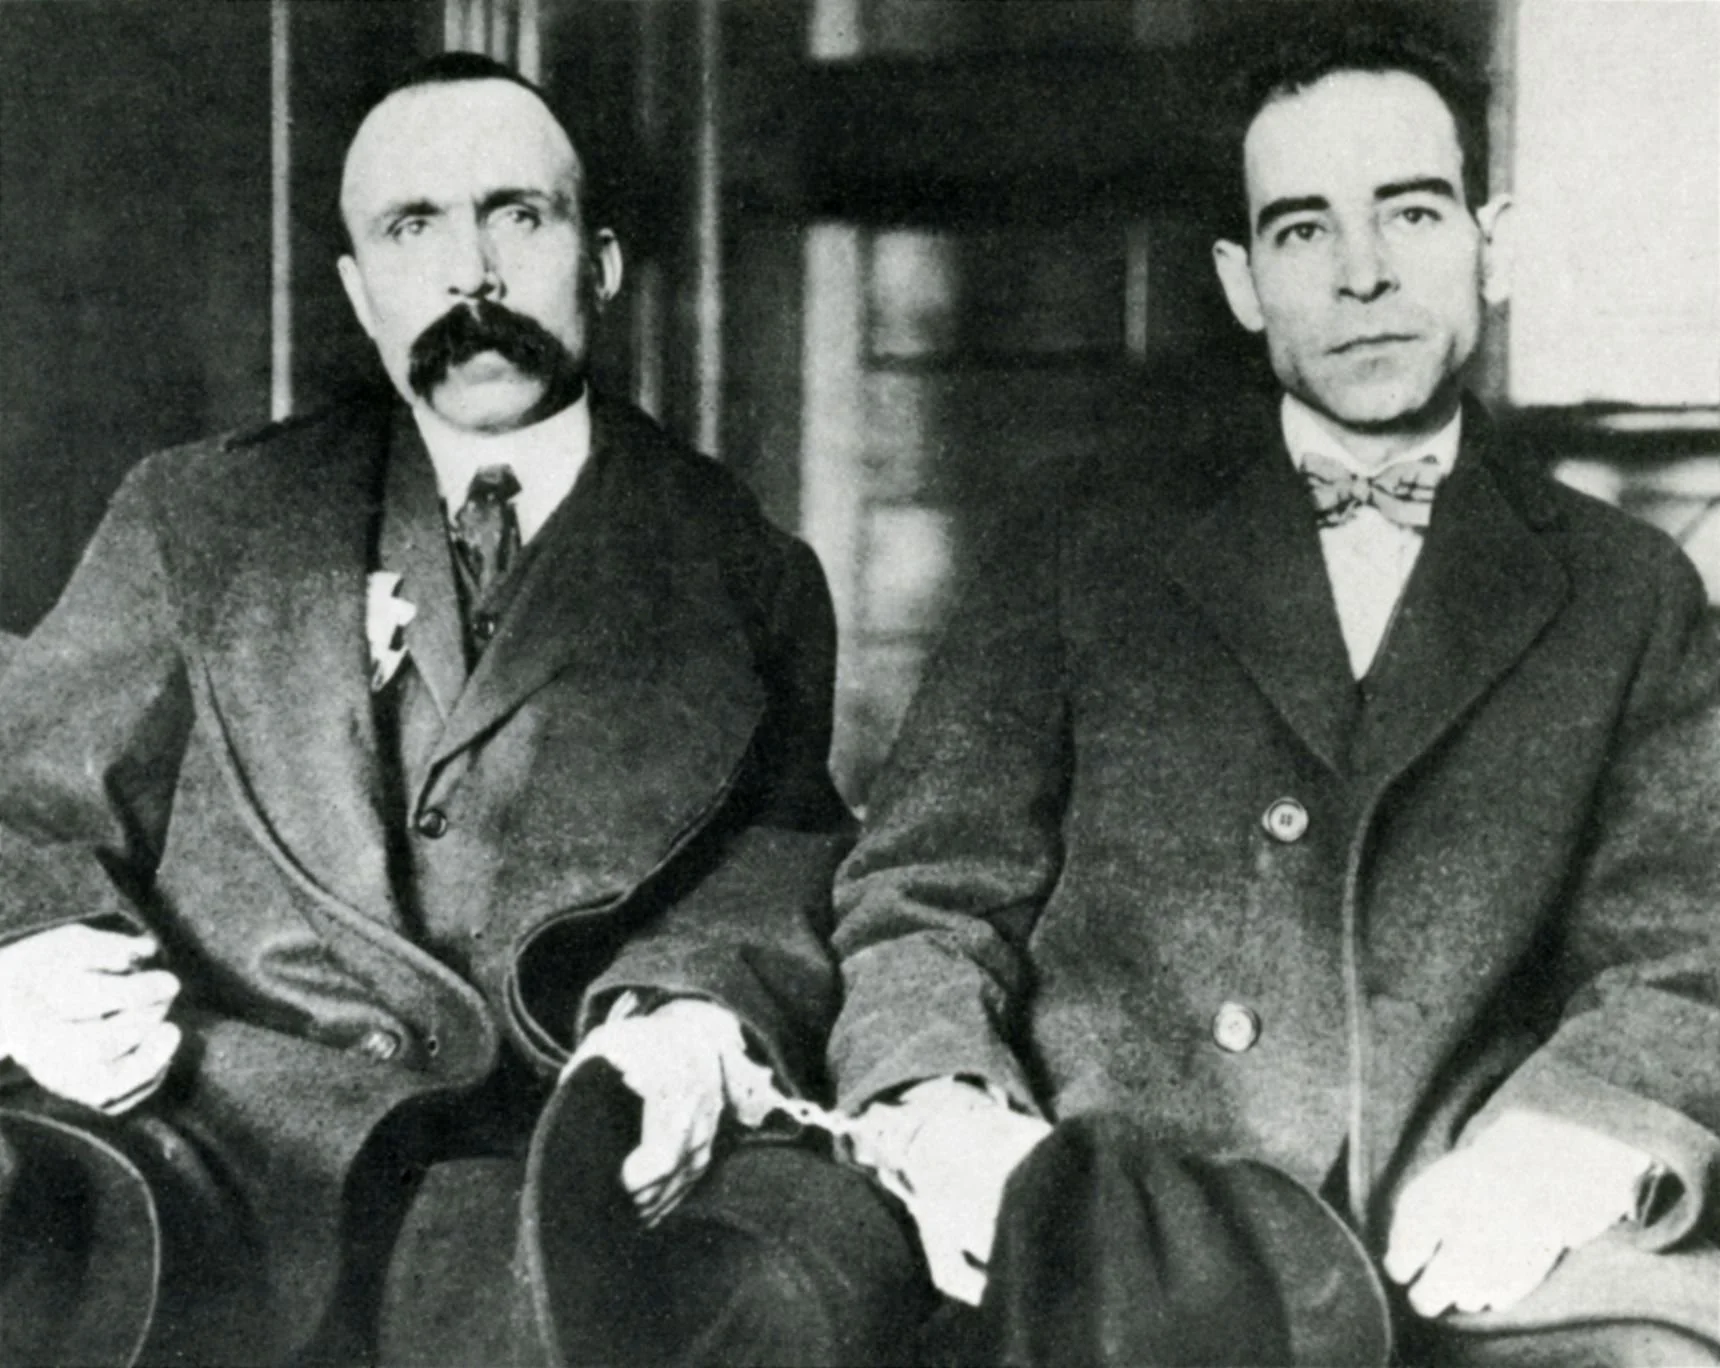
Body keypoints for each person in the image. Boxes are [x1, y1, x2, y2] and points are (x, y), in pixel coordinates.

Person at [825, 9, 1720, 1365]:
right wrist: (945, 1115)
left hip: (1470, 1266)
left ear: (1494, 245)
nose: (1363, 274)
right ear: (1243, 284)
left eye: (1412, 213)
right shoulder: (1080, 546)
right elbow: (922, 898)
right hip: (1123, 1253)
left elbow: (1683, 951)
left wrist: (1569, 1140)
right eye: (1304, 231)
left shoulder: (1628, 589)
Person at [0, 53, 920, 1368]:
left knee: (807, 1274)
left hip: (545, 1161)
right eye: (413, 228)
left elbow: (776, 861)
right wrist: (28, 959)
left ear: (602, 264)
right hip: (218, 1136)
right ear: (358, 291)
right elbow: (22, 794)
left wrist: (693, 1018)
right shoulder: (197, 518)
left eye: (517, 217)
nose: (470, 276)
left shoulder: (747, 572)